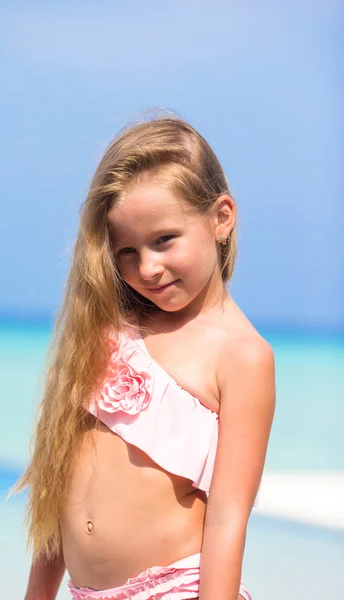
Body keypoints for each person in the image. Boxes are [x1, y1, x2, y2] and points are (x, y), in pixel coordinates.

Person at [17, 113, 276, 600]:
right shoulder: (110, 327)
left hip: (177, 589)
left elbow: (227, 520)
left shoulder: (243, 356)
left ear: (221, 218)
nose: (147, 268)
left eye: (163, 240)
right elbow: (59, 480)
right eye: (126, 252)